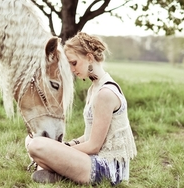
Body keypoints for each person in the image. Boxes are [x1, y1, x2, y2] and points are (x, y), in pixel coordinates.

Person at [25, 32, 137, 186]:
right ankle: (57, 172)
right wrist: (67, 146)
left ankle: (53, 169)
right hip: (94, 161)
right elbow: (91, 135)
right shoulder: (95, 88)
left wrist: (60, 151)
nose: (71, 69)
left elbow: (94, 146)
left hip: (107, 170)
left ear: (89, 58)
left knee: (37, 145)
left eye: (74, 63)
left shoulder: (105, 93)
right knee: (31, 140)